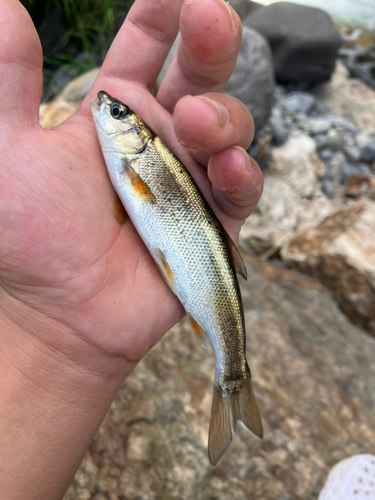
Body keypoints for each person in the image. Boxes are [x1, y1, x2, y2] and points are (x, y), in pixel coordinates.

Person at [0, 0, 263, 497]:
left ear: (133, 136)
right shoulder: (129, 155)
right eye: (118, 110)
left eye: (117, 112)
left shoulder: (141, 155)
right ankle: (233, 379)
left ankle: (233, 375)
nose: (106, 108)